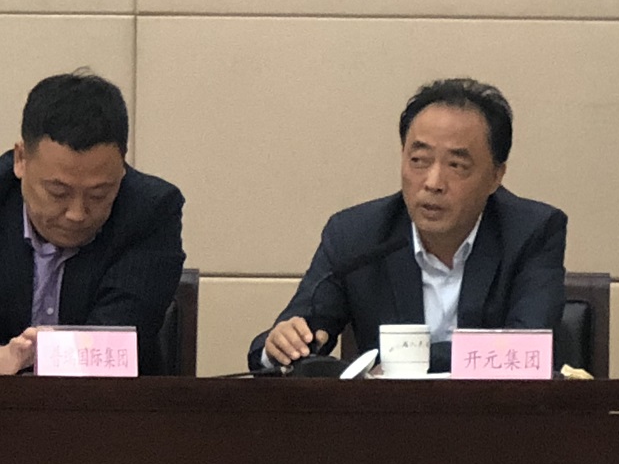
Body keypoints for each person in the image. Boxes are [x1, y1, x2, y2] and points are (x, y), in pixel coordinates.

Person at [249, 78, 567, 373]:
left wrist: (404, 359)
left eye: (456, 165)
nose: (433, 182)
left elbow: (528, 349)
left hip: (495, 413)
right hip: (387, 415)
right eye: (419, 160)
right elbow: (291, 336)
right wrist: (279, 347)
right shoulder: (356, 236)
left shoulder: (532, 232)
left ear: (496, 176)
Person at [0, 72, 185, 375]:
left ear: (122, 165)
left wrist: (35, 356)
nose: (77, 213)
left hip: (108, 401)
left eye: (99, 194)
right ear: (21, 160)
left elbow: (117, 342)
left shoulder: (151, 212)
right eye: (58, 192)